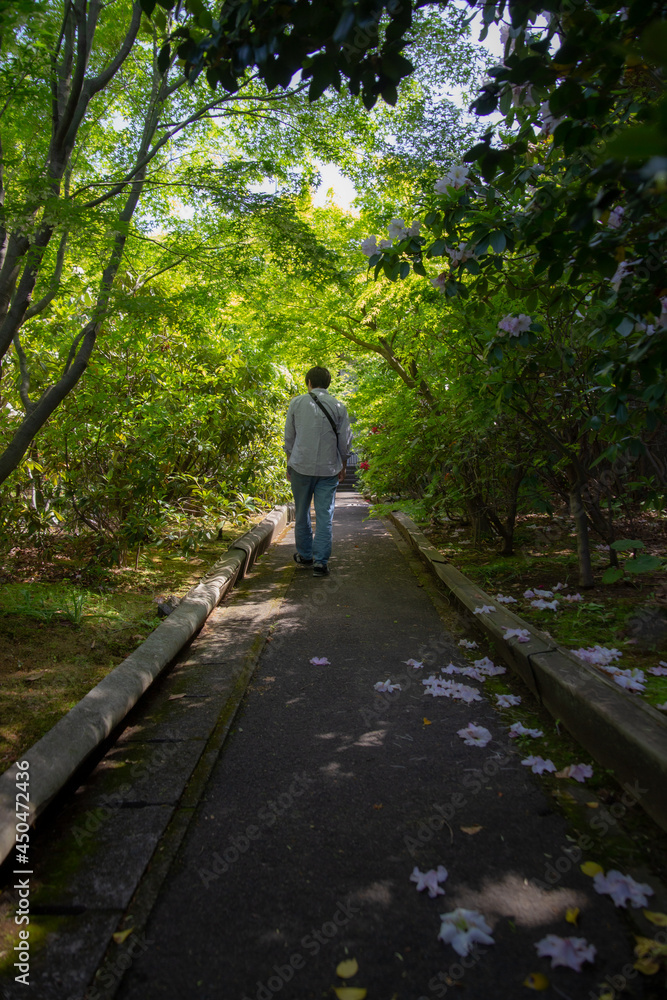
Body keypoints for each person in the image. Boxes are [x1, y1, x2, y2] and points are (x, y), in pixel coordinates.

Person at [283, 366, 352, 577]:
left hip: (300, 467)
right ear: (328, 383)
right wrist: (343, 463)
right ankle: (320, 562)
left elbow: (289, 437)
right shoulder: (338, 405)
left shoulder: (296, 403)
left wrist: (289, 462)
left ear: (309, 382)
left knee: (302, 511)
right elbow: (345, 440)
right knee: (325, 515)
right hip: (328, 468)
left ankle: (305, 555)